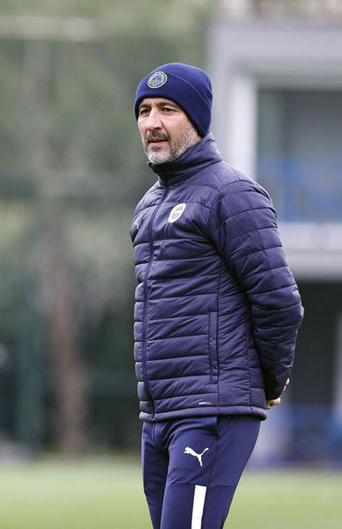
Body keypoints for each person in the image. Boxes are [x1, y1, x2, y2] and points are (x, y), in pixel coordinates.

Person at [130, 63, 303, 529]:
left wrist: (269, 383)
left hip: (212, 410)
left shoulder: (232, 192)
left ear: (197, 119)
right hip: (160, 414)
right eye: (145, 111)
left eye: (168, 109)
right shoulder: (149, 205)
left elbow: (279, 301)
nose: (152, 122)